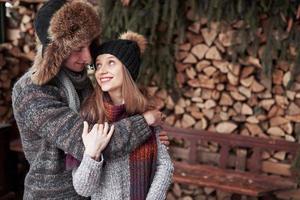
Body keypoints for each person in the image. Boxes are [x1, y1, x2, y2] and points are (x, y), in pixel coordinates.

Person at [12, 0, 165, 199]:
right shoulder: (32, 92)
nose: (87, 57)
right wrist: (145, 122)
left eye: (89, 45)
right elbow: (93, 142)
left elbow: (106, 124)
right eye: (77, 48)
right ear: (54, 51)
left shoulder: (81, 79)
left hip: (92, 191)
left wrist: (149, 140)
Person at [71, 31, 174, 200]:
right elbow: (83, 188)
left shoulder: (145, 111)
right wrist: (92, 155)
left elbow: (165, 166)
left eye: (111, 63)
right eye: (98, 65)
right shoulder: (90, 114)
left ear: (127, 70)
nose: (102, 71)